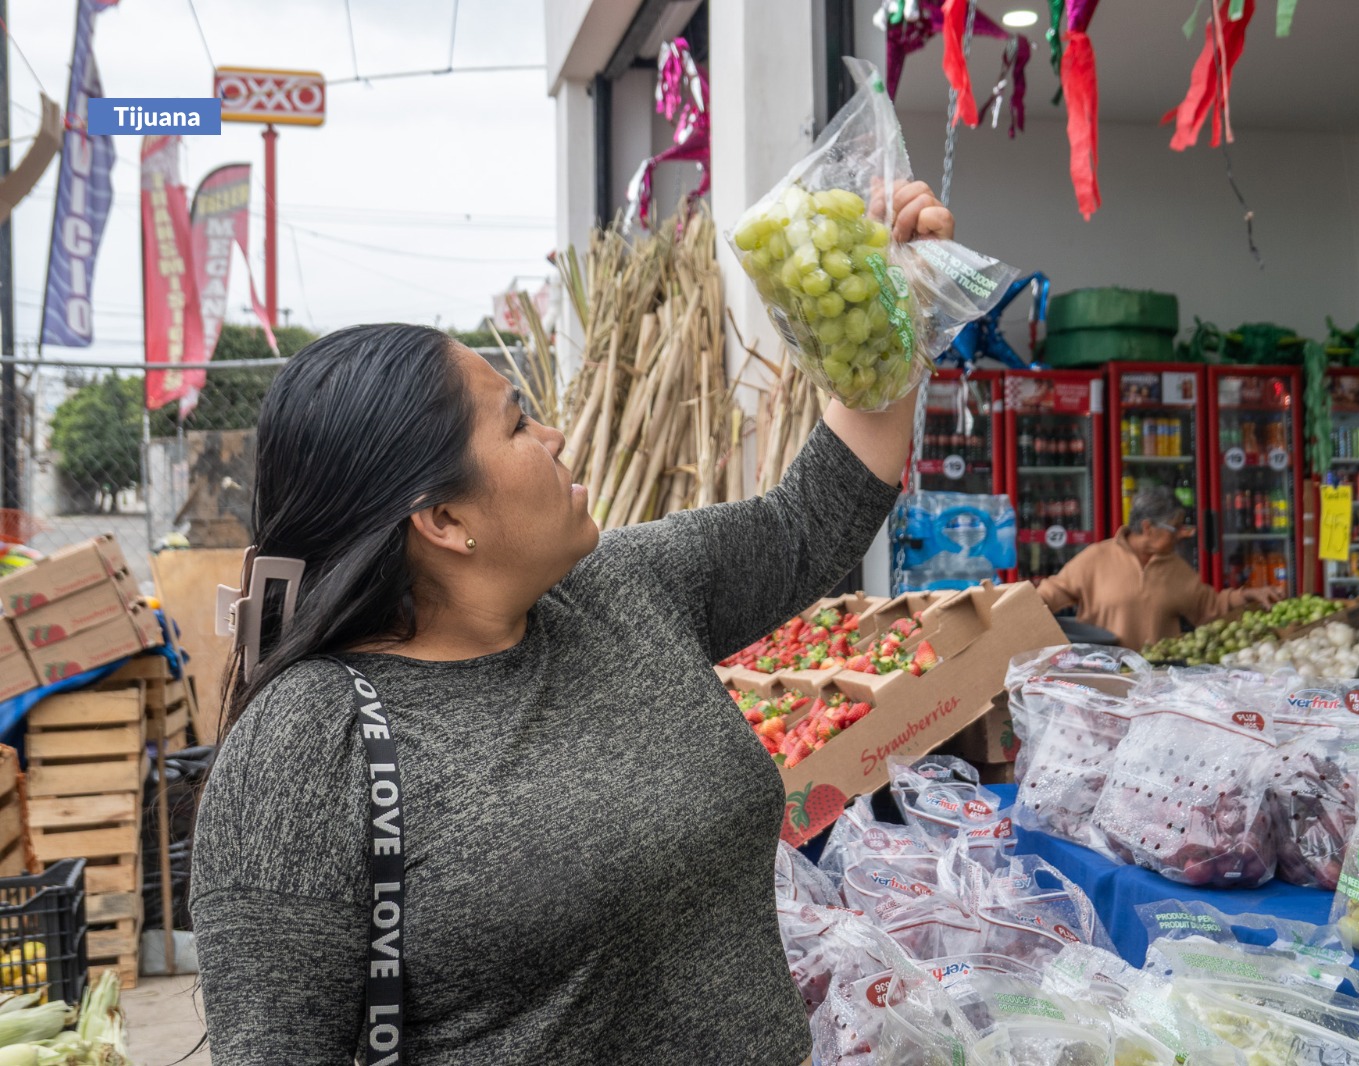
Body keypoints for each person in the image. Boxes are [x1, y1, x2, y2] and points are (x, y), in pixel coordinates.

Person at [189, 182, 956, 1066]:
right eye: (517, 425)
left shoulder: (621, 588)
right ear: (442, 521)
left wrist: (894, 306)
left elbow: (809, 521)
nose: (553, 436)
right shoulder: (308, 749)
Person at [1036, 485, 1282, 650]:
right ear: (1147, 528)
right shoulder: (1096, 557)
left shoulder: (1178, 569)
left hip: (1155, 683)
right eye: (1175, 529)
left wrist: (1248, 594)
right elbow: (1050, 594)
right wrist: (1011, 611)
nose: (1181, 536)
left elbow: (1210, 607)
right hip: (1102, 678)